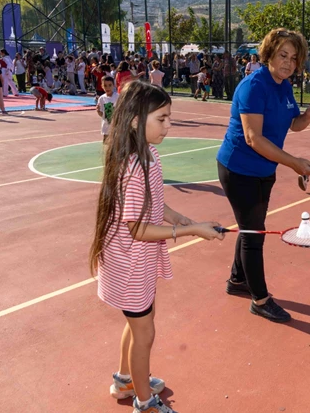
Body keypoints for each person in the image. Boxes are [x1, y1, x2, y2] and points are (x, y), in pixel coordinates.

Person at [89, 81, 224, 413]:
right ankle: (145, 402)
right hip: (130, 262)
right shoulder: (133, 166)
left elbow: (156, 204)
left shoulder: (148, 155)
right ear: (136, 121)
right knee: (144, 333)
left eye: (169, 118)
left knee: (139, 323)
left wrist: (184, 218)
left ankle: (125, 381)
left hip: (137, 261)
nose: (169, 125)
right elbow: (136, 229)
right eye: (161, 119)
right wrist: (190, 230)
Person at [216, 28, 310, 323]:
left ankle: (237, 279)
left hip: (265, 169)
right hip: (238, 168)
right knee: (254, 234)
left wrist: (308, 116)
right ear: (269, 55)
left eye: (294, 57)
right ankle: (260, 299)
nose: (288, 62)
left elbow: (292, 124)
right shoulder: (254, 86)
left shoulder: (284, 85)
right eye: (282, 55)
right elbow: (254, 138)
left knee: (252, 226)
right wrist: (295, 163)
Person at [97, 76, 118, 143]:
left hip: (116, 127)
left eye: (110, 85)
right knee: (106, 144)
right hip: (106, 127)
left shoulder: (118, 96)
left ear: (113, 85)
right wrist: (98, 111)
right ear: (102, 86)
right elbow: (102, 115)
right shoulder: (102, 98)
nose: (107, 88)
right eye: (105, 85)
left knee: (116, 144)